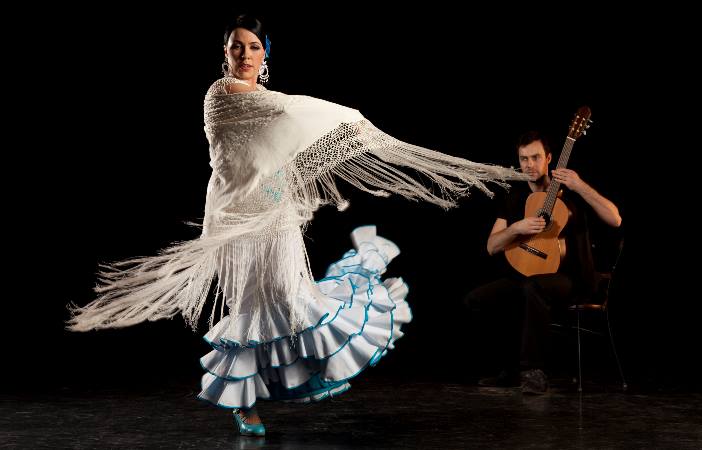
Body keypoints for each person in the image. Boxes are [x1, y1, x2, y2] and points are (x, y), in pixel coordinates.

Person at [67, 14, 528, 436]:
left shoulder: (275, 105)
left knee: (290, 300)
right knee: (248, 309)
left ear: (265, 53)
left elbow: (285, 146)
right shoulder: (220, 96)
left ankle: (301, 374)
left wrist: (350, 123)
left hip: (275, 212)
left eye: (252, 47)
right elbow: (275, 124)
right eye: (236, 48)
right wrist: (339, 117)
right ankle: (243, 402)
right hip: (233, 217)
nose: (244, 55)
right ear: (224, 54)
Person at [463, 130, 622, 394]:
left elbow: (615, 219)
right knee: (476, 300)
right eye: (523, 158)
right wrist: (517, 228)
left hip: (571, 278)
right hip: (526, 275)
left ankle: (533, 371)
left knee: (532, 288)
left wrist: (580, 184)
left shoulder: (571, 193)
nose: (529, 164)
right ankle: (510, 369)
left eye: (535, 157)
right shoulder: (514, 197)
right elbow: (492, 246)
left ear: (549, 158)